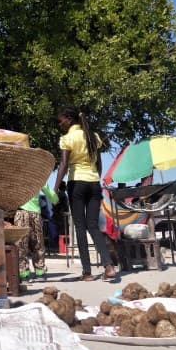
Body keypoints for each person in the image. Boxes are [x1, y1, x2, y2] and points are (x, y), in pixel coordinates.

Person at [52, 106, 117, 282]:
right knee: (94, 226)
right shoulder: (93, 136)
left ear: (69, 119)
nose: (60, 124)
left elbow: (64, 164)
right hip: (94, 184)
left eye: (61, 121)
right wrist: (97, 179)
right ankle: (108, 266)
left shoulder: (68, 138)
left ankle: (87, 272)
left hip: (77, 184)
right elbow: (99, 163)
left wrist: (56, 188)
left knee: (80, 228)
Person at [14, 182, 59, 283]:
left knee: (21, 244)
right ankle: (40, 272)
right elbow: (53, 198)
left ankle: (23, 274)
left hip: (20, 212)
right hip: (35, 214)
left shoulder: (17, 176)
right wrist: (56, 198)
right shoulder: (39, 178)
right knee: (38, 243)